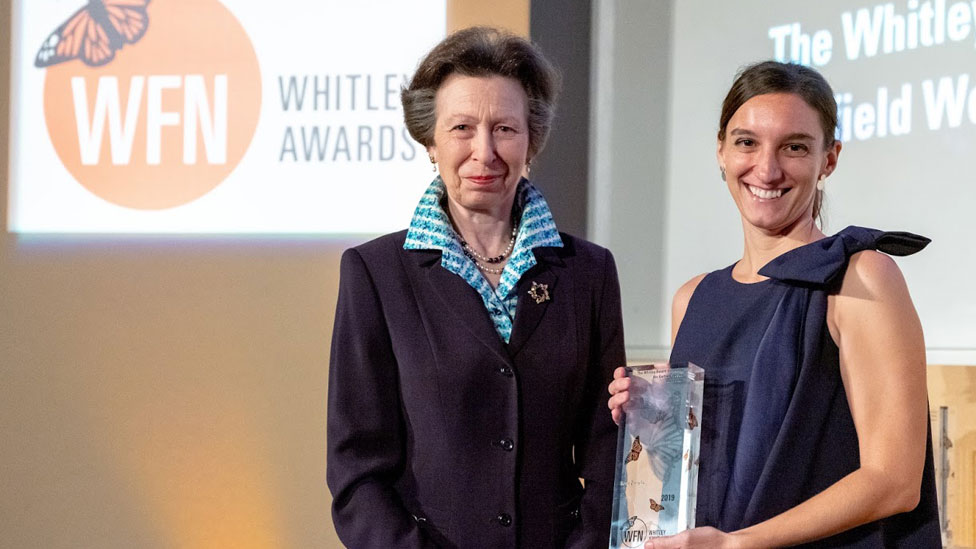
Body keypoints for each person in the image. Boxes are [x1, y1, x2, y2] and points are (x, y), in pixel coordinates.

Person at [608, 61, 941, 548]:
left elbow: (894, 481)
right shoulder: (693, 298)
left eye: (795, 147)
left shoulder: (860, 275)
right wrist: (656, 421)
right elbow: (716, 473)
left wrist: (737, 544)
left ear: (829, 159)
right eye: (746, 142)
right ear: (720, 151)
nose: (767, 169)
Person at [327, 27, 626, 548]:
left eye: (505, 128)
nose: (483, 152)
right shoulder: (374, 274)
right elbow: (358, 474)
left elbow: (609, 450)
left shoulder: (589, 272)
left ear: (532, 139)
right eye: (462, 127)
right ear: (430, 140)